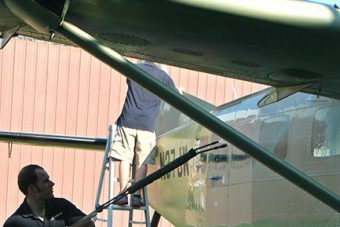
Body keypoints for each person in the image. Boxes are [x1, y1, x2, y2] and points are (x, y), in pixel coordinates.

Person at [110, 61, 177, 207]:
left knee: (124, 158)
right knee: (142, 161)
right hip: (148, 124)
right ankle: (136, 196)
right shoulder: (163, 76)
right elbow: (175, 96)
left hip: (128, 120)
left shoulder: (133, 69)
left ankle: (122, 194)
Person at [3, 164, 95, 227]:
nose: (52, 183)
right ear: (32, 189)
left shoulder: (62, 205)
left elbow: (89, 224)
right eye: (45, 181)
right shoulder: (14, 223)